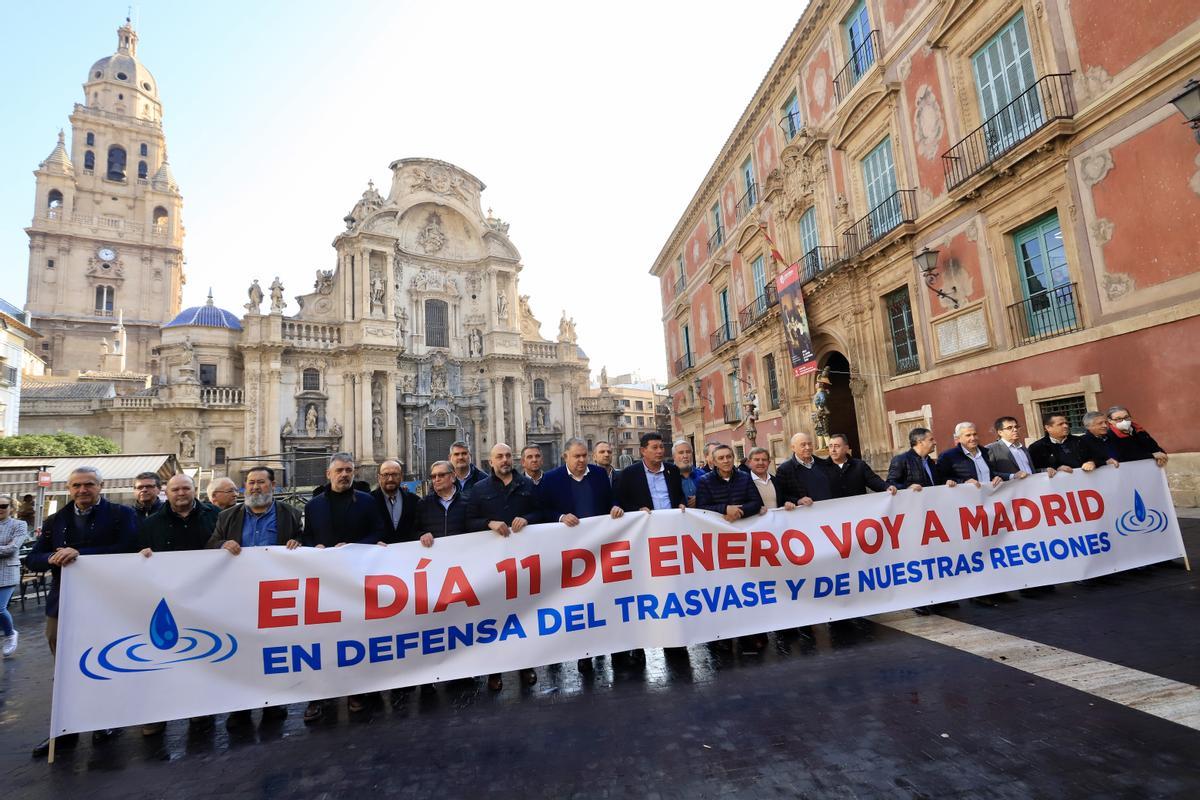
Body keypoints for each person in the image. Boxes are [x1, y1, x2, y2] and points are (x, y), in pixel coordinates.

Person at [26, 466, 138, 757]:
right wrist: (53, 556)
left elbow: (128, 548)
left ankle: (106, 719)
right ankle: (67, 727)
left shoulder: (121, 515)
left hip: (106, 602)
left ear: (101, 486)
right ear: (68, 488)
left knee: (105, 659)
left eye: (89, 484)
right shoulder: (56, 520)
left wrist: (79, 554)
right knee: (64, 666)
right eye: (76, 485)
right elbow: (34, 559)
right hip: (64, 602)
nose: (82, 490)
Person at [208, 465, 303, 730]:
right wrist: (221, 545)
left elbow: (302, 542)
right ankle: (240, 706)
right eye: (250, 483)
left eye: (261, 482)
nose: (254, 487)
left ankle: (274, 702)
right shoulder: (227, 517)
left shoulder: (291, 515)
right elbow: (211, 545)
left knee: (275, 651)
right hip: (239, 595)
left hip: (277, 595)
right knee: (241, 651)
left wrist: (298, 544)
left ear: (273, 485)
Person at [302, 453, 386, 721]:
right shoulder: (313, 505)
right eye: (339, 470)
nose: (344, 475)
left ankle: (356, 691)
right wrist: (312, 547)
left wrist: (355, 548)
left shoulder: (366, 501)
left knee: (356, 636)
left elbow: (377, 532)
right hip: (324, 582)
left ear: (355, 472)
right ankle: (318, 696)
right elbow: (307, 538)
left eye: (349, 470)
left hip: (357, 580)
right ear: (329, 473)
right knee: (322, 639)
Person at [137, 474, 220, 736]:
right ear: (166, 492)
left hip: (207, 597)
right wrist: (140, 557)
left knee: (205, 654)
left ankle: (200, 710)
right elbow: (136, 555)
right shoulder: (150, 524)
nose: (181, 493)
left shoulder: (216, 515)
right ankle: (159, 713)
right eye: (176, 489)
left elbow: (227, 543)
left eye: (186, 488)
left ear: (195, 490)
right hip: (167, 600)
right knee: (164, 657)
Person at [535, 438, 623, 672]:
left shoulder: (598, 474)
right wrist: (560, 517)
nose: (582, 460)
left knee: (605, 599)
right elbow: (542, 510)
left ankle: (612, 646)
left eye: (584, 455)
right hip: (572, 554)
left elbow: (611, 499)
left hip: (601, 550)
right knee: (581, 603)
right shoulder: (552, 479)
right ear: (565, 457)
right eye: (577, 456)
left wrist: (615, 507)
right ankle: (585, 653)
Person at [465, 443, 547, 690]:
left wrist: (528, 519)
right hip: (492, 567)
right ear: (490, 461)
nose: (504, 460)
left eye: (508, 455)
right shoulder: (479, 490)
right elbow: (468, 521)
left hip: (522, 564)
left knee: (523, 616)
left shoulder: (526, 486)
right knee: (493, 618)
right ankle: (494, 671)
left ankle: (526, 666)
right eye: (499, 456)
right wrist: (488, 523)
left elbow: (542, 513)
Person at [615, 432, 687, 513]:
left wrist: (682, 503)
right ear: (643, 451)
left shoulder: (673, 470)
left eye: (661, 447)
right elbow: (622, 502)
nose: (659, 451)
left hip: (672, 520)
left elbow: (680, 495)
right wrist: (638, 510)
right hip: (647, 522)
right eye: (655, 447)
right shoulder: (629, 474)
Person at [0, 494, 29, 657]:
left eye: (3, 506)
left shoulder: (19, 524)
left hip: (7, 572)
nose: (0, 509)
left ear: (11, 508)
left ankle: (10, 634)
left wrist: (6, 548)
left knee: (0, 608)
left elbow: (12, 548)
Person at [936, 422, 1006, 488]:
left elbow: (990, 473)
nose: (973, 438)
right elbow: (940, 479)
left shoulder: (985, 452)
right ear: (958, 439)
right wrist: (963, 482)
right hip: (966, 497)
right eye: (968, 435)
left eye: (975, 434)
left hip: (989, 497)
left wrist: (997, 477)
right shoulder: (948, 456)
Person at [825, 434, 897, 497]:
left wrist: (886, 487)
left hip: (859, 509)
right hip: (834, 510)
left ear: (846, 448)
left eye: (837, 446)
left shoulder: (859, 465)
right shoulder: (822, 467)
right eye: (830, 446)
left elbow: (873, 480)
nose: (833, 450)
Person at [1028, 413, 1097, 476]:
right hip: (1056, 488)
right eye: (1060, 424)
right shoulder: (1036, 447)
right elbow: (1033, 470)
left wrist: (1092, 462)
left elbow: (1098, 458)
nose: (1066, 426)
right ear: (1048, 428)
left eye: (1066, 423)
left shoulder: (1080, 441)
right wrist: (1056, 469)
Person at [775, 432, 833, 505]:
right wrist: (798, 501)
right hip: (804, 513)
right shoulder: (784, 470)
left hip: (829, 509)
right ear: (793, 448)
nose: (808, 447)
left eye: (809, 444)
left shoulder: (823, 464)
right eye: (803, 445)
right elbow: (780, 496)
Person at [371, 460, 419, 543]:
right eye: (385, 474)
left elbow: (418, 528)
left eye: (395, 474)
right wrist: (373, 542)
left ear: (401, 477)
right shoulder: (369, 501)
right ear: (379, 478)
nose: (390, 479)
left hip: (407, 553)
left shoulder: (414, 500)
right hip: (379, 553)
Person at [416, 461, 466, 539]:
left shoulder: (468, 502)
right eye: (433, 476)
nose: (437, 479)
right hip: (433, 550)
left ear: (453, 476)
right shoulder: (423, 504)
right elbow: (414, 530)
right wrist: (422, 534)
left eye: (441, 475)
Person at [672, 440, 699, 507]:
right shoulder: (669, 477)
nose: (685, 456)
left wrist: (700, 498)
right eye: (681, 453)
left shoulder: (702, 474)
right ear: (674, 457)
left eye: (688, 452)